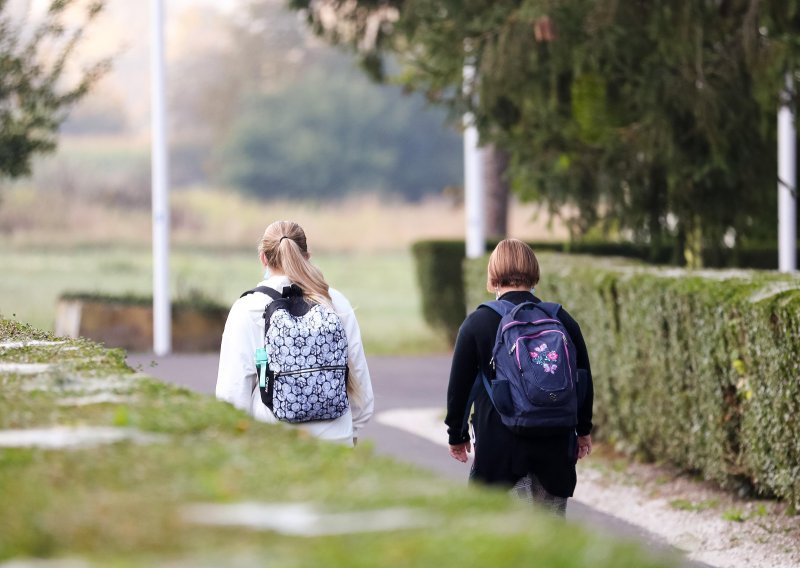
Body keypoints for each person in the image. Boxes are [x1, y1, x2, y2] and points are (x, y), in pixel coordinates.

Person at [444, 238, 593, 515]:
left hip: (501, 448)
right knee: (549, 544)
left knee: (509, 544)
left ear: (493, 276)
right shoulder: (561, 319)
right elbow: (582, 379)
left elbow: (459, 389)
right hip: (555, 446)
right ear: (534, 273)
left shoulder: (478, 323)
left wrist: (457, 434)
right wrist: (583, 431)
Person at [216, 220, 374, 446]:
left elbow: (232, 392)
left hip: (275, 443)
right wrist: (353, 429)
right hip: (337, 440)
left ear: (263, 258)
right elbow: (359, 380)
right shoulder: (334, 302)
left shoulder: (249, 308)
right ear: (306, 256)